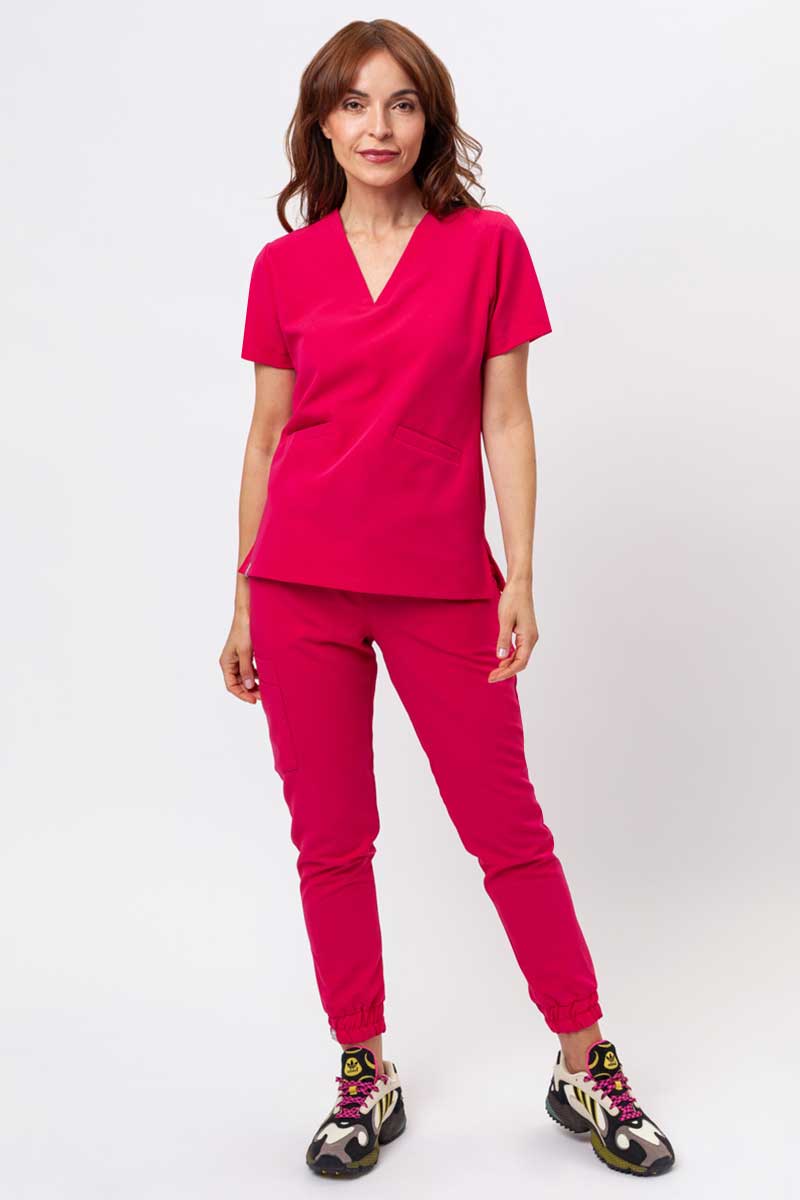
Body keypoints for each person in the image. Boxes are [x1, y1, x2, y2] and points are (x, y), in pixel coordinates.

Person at [219, 18, 676, 1181]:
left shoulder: (486, 248)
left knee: (505, 832)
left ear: (430, 119)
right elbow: (266, 437)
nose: (378, 127)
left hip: (439, 586)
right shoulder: (284, 268)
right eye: (354, 104)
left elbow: (504, 417)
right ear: (321, 124)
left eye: (402, 103)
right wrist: (242, 597)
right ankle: (361, 1068)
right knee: (331, 840)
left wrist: (517, 570)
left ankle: (583, 1060)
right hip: (298, 587)